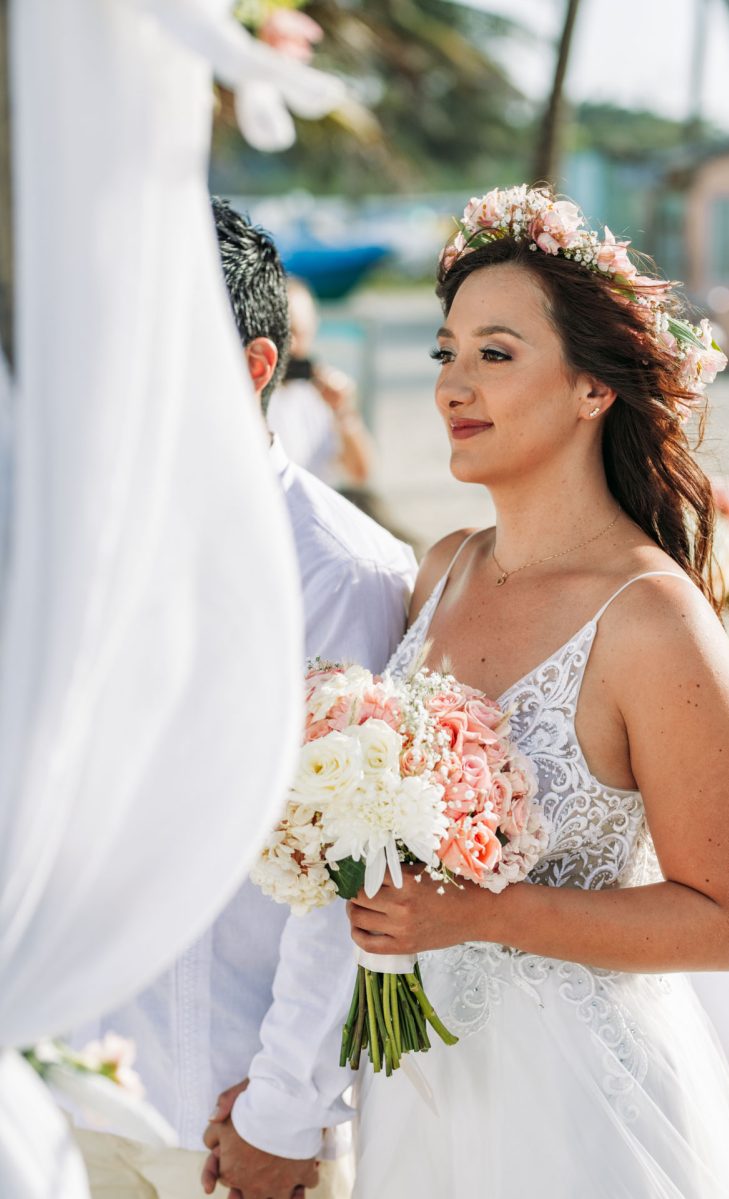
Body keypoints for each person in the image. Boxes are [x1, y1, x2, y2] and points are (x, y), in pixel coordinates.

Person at [346, 186, 729, 1197]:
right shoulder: (442, 566)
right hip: (419, 1078)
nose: (453, 384)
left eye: (494, 353)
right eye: (443, 352)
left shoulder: (650, 621)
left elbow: (722, 922)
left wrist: (475, 914)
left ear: (594, 388)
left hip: (583, 1108)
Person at [70, 198, 416, 1199]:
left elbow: (349, 866)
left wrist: (283, 1106)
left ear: (259, 366)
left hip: (224, 1110)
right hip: (66, 1083)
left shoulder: (339, 573)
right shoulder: (64, 544)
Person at [267, 277, 374, 489]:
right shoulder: (252, 396)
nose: (294, 345)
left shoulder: (320, 393)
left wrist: (343, 411)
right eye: (287, 332)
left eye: (301, 332)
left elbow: (360, 473)